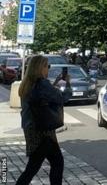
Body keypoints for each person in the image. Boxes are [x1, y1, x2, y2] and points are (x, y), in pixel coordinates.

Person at [16, 55, 72, 185]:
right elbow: (62, 98)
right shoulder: (42, 84)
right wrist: (67, 83)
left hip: (31, 128)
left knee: (55, 162)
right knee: (34, 168)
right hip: (42, 131)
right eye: (47, 66)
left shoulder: (27, 83)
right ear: (40, 68)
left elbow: (42, 98)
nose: (48, 69)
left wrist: (54, 84)